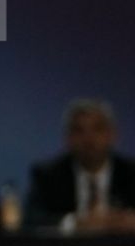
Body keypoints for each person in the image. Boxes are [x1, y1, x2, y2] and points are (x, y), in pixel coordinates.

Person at [26, 98, 135, 233]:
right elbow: (31, 219)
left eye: (97, 129)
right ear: (67, 138)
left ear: (112, 135)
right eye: (79, 131)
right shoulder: (47, 175)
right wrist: (74, 223)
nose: (89, 139)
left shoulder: (131, 173)